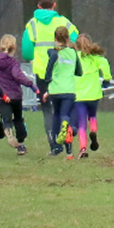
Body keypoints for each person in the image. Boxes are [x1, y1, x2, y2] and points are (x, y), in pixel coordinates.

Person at [22, 0, 79, 155]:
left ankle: (54, 145)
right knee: (64, 109)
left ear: (38, 6)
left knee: (47, 109)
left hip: (42, 72)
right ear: (54, 5)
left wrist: (32, 58)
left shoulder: (32, 24)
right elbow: (75, 42)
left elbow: (26, 50)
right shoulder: (64, 22)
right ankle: (68, 137)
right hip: (63, 73)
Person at [0, 34, 39, 156]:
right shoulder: (13, 62)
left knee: (6, 119)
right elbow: (18, 75)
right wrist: (31, 85)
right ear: (14, 47)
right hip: (15, 96)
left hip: (2, 96)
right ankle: (21, 142)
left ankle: (8, 134)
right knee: (18, 118)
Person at [43, 26, 83, 160]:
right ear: (67, 39)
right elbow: (79, 72)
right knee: (66, 116)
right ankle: (69, 152)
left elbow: (48, 73)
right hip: (69, 90)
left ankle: (56, 146)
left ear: (55, 38)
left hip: (55, 89)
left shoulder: (53, 52)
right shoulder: (73, 53)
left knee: (56, 116)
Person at [71, 33, 111, 159]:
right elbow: (104, 63)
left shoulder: (74, 57)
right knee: (92, 116)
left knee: (82, 123)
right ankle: (93, 131)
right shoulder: (95, 58)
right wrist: (107, 79)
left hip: (79, 95)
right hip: (94, 94)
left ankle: (83, 148)